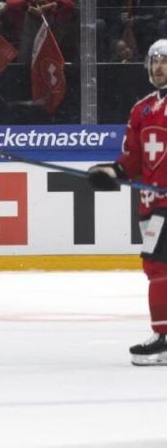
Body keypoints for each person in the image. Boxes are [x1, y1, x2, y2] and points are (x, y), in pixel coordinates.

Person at [87, 39, 167, 366]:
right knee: (155, 267)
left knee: (158, 265)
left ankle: (163, 339)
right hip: (150, 204)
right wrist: (111, 171)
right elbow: (132, 160)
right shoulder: (142, 109)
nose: (158, 66)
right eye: (154, 61)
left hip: (164, 207)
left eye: (164, 61)